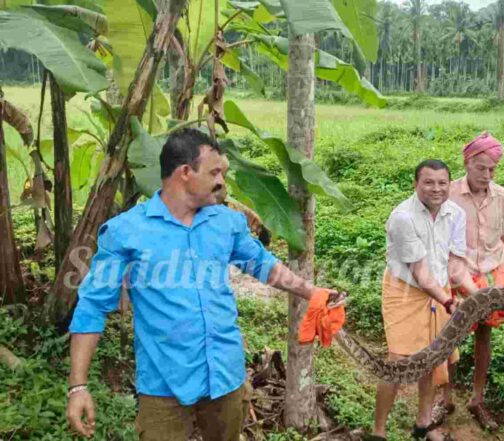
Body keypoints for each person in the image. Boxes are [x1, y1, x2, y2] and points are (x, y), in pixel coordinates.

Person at [65, 129, 339, 440]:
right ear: (185, 172)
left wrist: (312, 292)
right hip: (164, 388)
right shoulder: (126, 231)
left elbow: (263, 265)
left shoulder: (226, 222)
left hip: (226, 378)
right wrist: (78, 386)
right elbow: (92, 307)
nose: (222, 181)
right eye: (215, 172)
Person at [369, 160, 478, 441]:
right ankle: (378, 431)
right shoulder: (403, 217)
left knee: (432, 357)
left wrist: (476, 297)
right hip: (404, 290)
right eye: (428, 182)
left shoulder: (455, 213)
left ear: (449, 184)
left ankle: (423, 424)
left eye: (442, 183)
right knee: (397, 360)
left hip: (440, 290)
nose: (436, 189)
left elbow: (454, 265)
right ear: (415, 184)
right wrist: (448, 302)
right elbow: (420, 273)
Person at [434, 132, 504, 431]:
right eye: (481, 168)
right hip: (458, 272)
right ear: (467, 163)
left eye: (492, 170)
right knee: (452, 336)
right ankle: (445, 397)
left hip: (492, 271)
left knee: (485, 334)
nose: (487, 175)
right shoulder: (449, 194)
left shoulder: (503, 197)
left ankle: (477, 398)